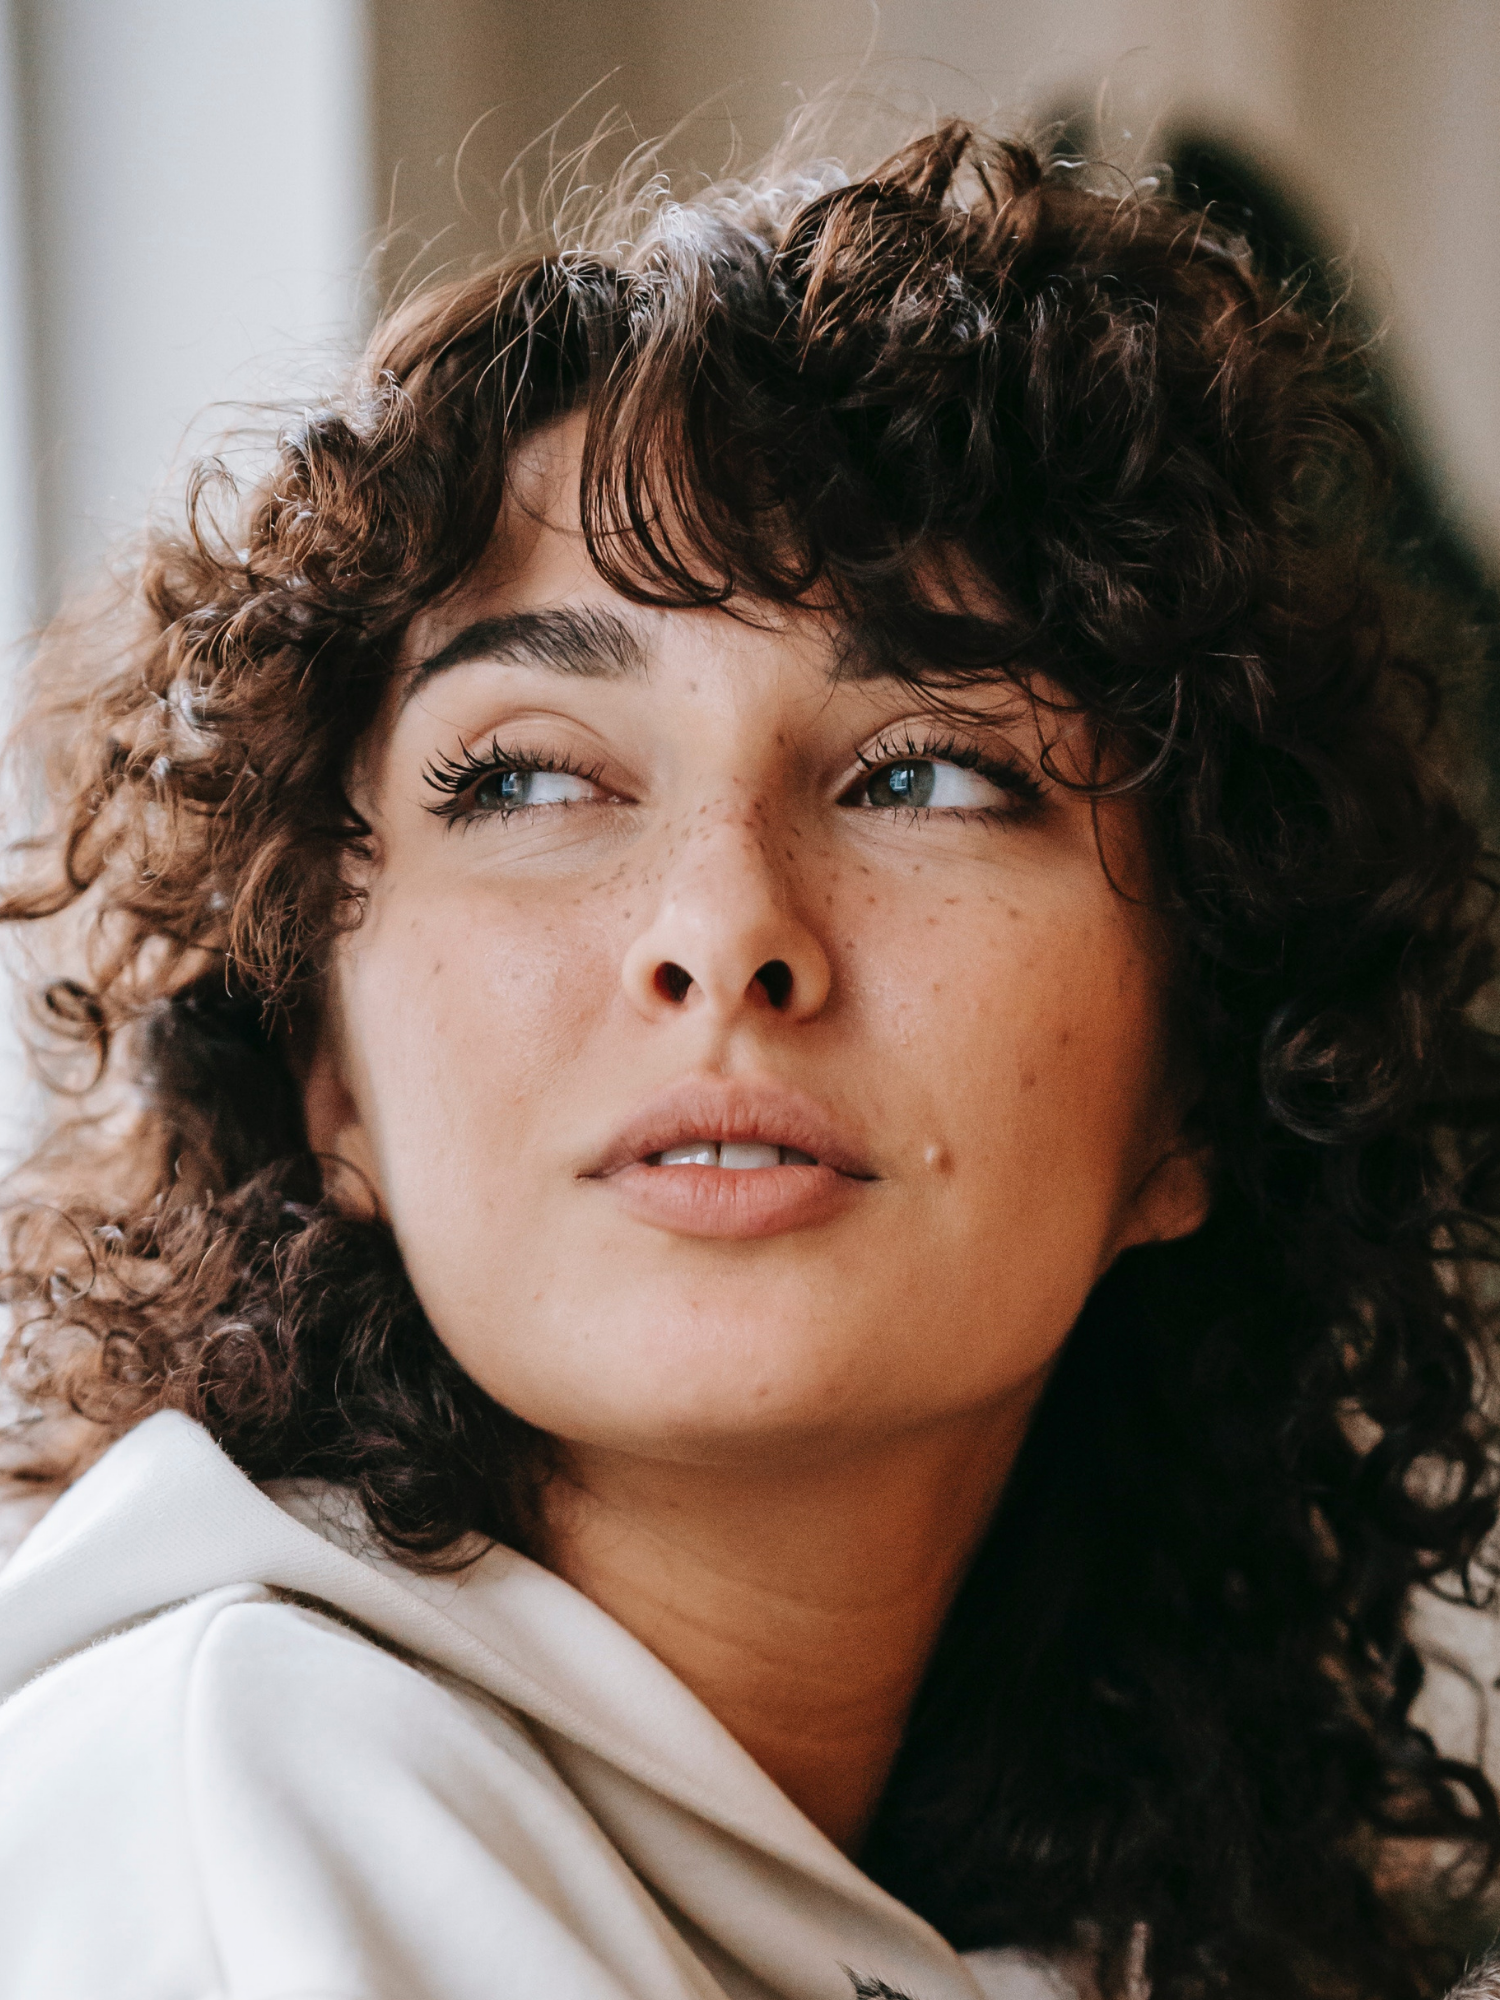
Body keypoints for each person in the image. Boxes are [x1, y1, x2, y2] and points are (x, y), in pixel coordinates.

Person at [0, 118, 1496, 2000]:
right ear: (331, 1075)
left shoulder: (1097, 1925)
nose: (726, 930)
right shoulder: (223, 1810)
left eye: (931, 772)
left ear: (1204, 1076)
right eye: (530, 776)